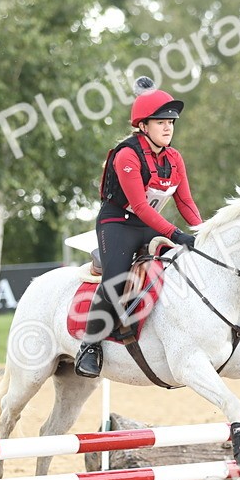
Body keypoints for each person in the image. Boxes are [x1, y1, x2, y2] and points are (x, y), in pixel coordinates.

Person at [74, 76, 203, 378]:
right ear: (143, 126)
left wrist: (203, 232)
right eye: (160, 121)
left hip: (148, 225)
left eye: (171, 121)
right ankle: (90, 346)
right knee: (116, 280)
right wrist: (176, 234)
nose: (168, 127)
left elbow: (185, 202)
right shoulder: (127, 155)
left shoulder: (174, 158)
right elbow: (141, 207)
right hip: (117, 223)